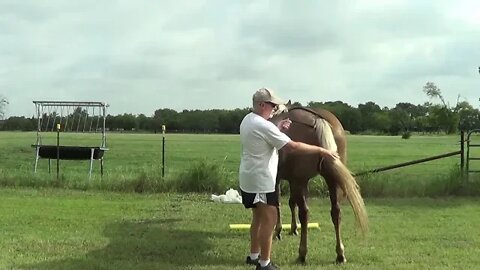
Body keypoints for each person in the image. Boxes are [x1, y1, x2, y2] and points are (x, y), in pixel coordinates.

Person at [239, 87, 339, 270]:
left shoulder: (248, 120)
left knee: (257, 218)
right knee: (270, 219)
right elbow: (293, 147)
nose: (275, 108)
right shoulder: (264, 125)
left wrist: (277, 128)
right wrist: (322, 150)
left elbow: (264, 136)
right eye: (272, 105)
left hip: (249, 178)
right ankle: (264, 263)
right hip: (262, 180)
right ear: (262, 105)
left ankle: (253, 256)